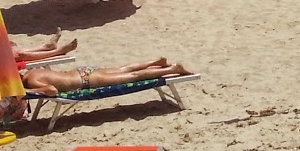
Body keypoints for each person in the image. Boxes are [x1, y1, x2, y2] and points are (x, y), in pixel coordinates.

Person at [20, 58, 195, 96]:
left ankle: (173, 68)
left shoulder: (31, 81)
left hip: (86, 81)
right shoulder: (33, 71)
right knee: (123, 67)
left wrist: (30, 91)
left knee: (133, 76)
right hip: (84, 72)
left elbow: (52, 90)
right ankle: (156, 62)